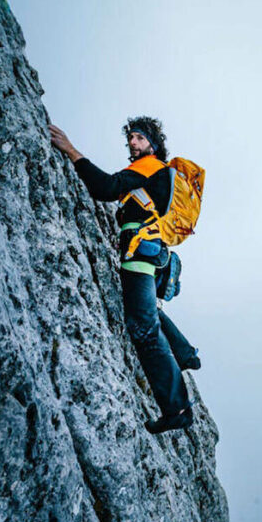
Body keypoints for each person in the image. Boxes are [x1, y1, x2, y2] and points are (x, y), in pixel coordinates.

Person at [49, 117, 199, 433]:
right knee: (149, 314)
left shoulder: (150, 165)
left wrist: (71, 151)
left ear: (153, 145)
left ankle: (177, 409)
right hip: (149, 250)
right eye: (130, 138)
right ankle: (185, 353)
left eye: (139, 138)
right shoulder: (152, 173)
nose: (132, 143)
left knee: (143, 328)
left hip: (139, 251)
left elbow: (106, 188)